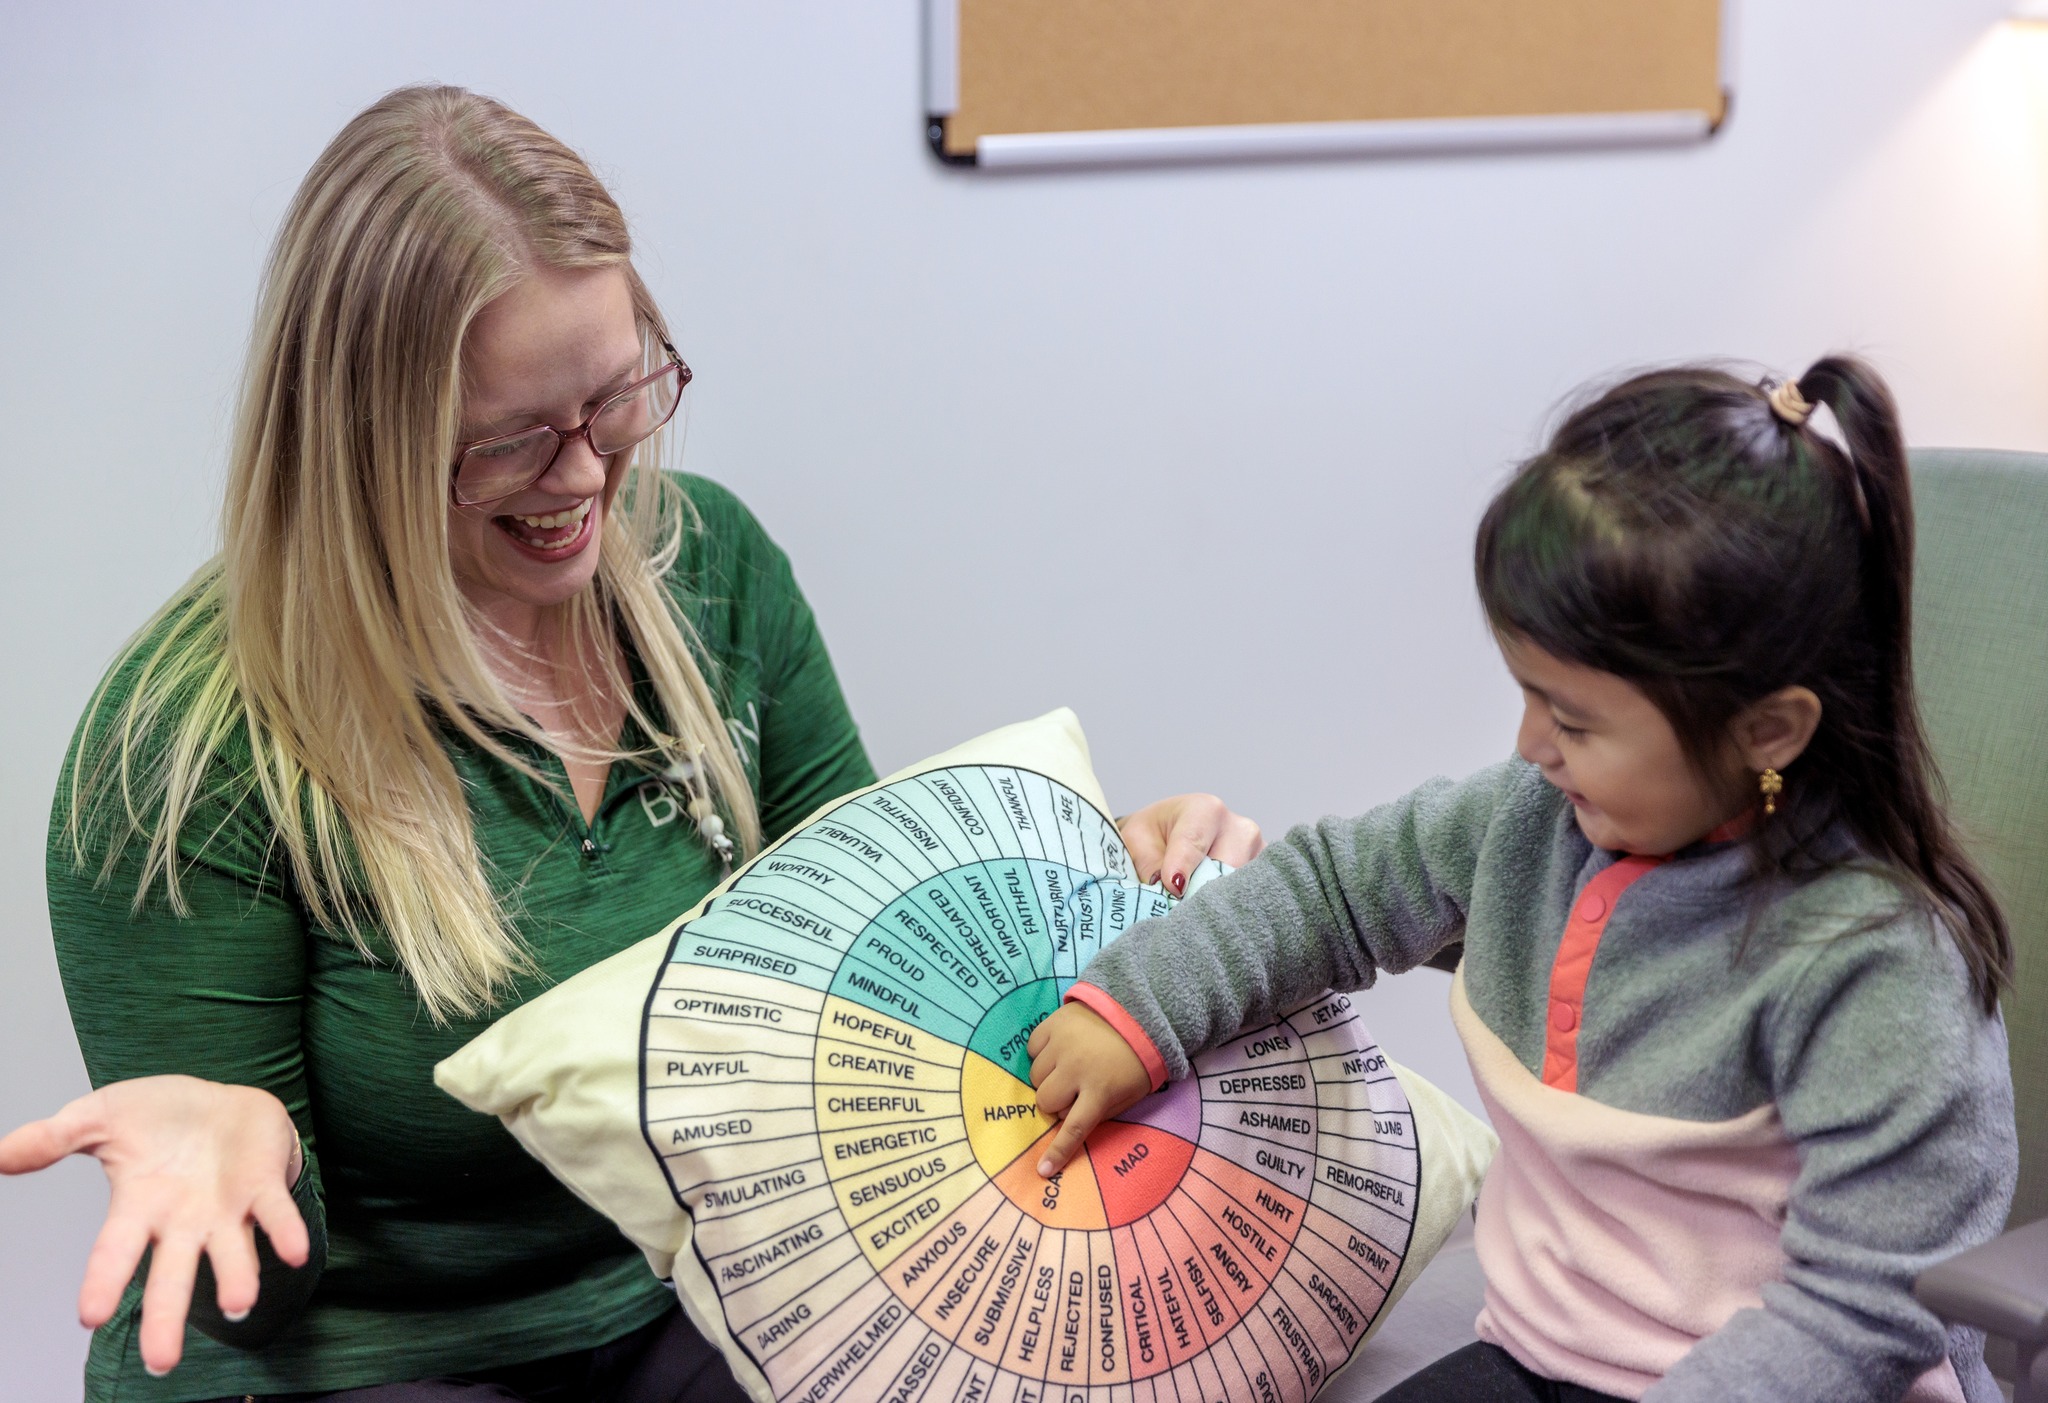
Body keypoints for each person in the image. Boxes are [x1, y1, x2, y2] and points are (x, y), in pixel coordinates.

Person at [0, 86, 1263, 1403]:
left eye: (617, 400)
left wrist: (1086, 881)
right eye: (507, 445)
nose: (588, 478)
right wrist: (240, 1150)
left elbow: (878, 980)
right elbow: (247, 1311)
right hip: (357, 1355)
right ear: (358, 441)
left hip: (680, 1300)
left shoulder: (709, 569)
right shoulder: (181, 750)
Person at [1026, 360, 2019, 1401]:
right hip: (1544, 1357)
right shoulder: (1530, 818)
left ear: (1765, 728)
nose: (1529, 743)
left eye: (1574, 719)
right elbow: (1330, 887)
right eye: (1528, 696)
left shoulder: (1876, 967)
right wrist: (1139, 1003)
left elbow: (1856, 1313)